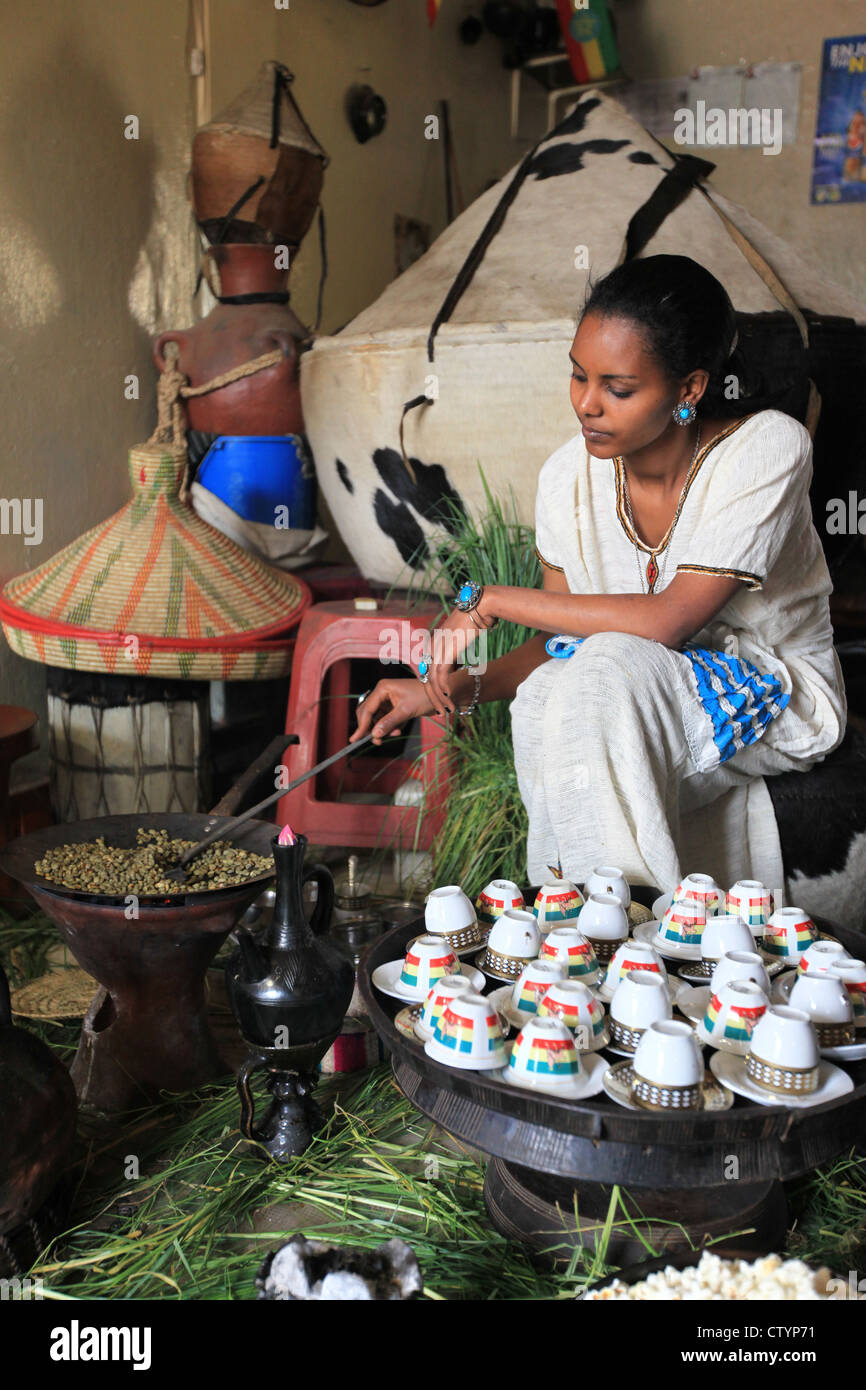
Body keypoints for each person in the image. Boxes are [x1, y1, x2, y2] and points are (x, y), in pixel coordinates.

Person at [351, 255, 846, 894]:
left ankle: (623, 924)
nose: (586, 404)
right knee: (545, 693)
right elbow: (561, 644)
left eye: (618, 388)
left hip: (776, 690)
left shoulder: (765, 450)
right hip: (638, 686)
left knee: (607, 666)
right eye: (578, 376)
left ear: (689, 389)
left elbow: (668, 621)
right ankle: (567, 916)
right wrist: (454, 689)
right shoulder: (568, 478)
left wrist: (491, 601)